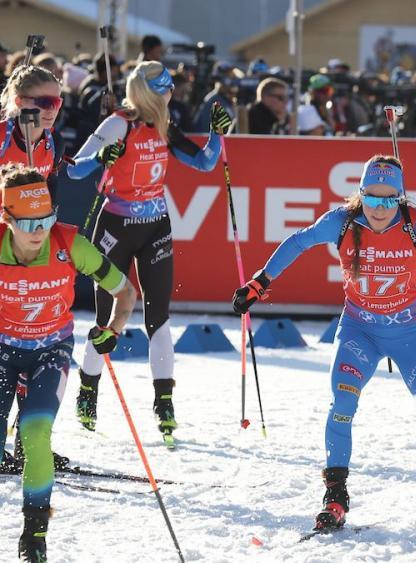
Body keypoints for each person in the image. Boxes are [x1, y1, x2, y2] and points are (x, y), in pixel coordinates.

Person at [232, 155, 416, 535]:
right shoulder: (340, 223)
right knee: (342, 405)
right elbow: (297, 242)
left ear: (401, 199)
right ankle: (335, 496)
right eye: (372, 199)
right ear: (360, 196)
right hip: (360, 332)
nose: (379, 208)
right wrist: (259, 283)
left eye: (389, 200)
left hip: (410, 338)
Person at [66, 61, 230, 447]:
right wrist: (100, 160)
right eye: (167, 88)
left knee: (159, 317)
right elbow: (73, 171)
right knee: (107, 318)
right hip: (115, 229)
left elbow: (205, 163)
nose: (172, 94)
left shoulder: (163, 125)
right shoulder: (117, 124)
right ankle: (88, 391)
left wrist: (217, 134)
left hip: (156, 226)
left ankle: (164, 403)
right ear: (151, 91)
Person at [0, 162, 137, 562]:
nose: (39, 231)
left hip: (50, 351)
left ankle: (35, 535)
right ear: (7, 218)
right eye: (28, 223)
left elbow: (124, 291)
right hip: (2, 351)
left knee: (36, 431)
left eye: (46, 218)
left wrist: (112, 329)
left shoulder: (70, 244)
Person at [0, 65, 66, 198]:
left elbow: (50, 189)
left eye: (56, 103)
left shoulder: (55, 141)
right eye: (44, 102)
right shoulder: (2, 135)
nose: (51, 110)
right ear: (19, 102)